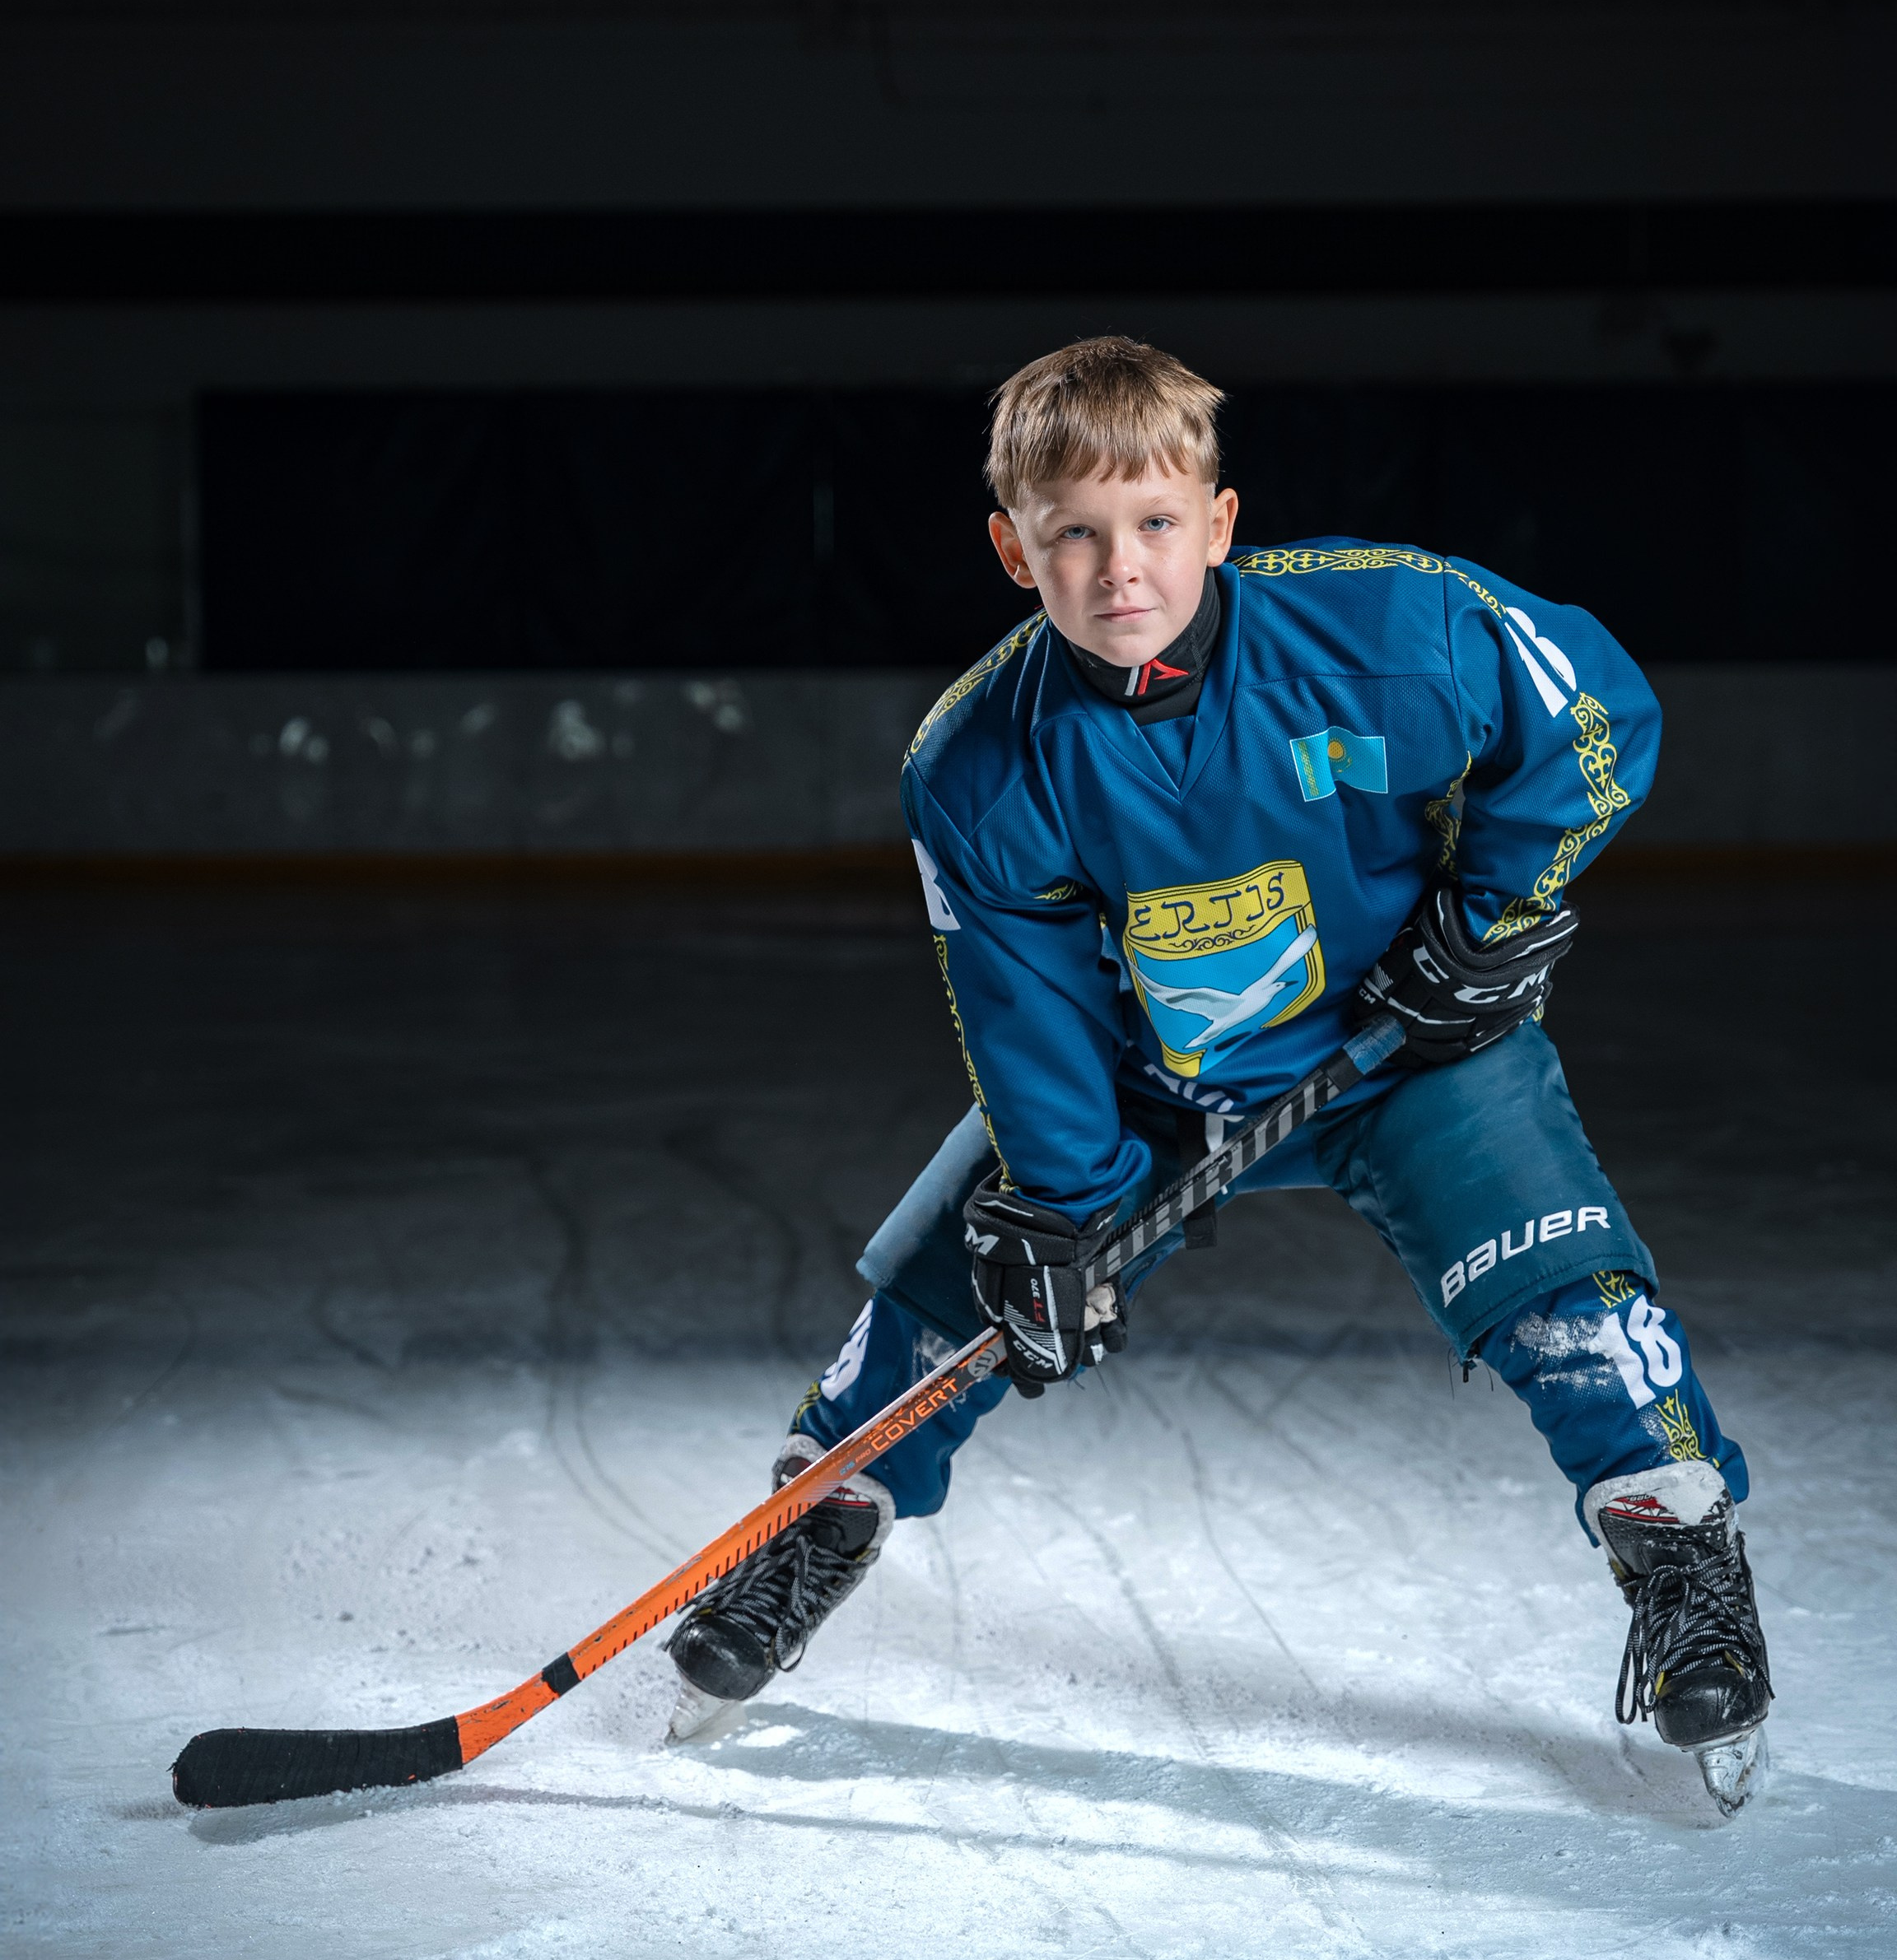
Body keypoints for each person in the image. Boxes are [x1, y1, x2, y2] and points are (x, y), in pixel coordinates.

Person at [669, 336, 1773, 1809]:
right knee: (951, 1290)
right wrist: (1062, 1206)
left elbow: (1595, 717)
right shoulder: (979, 765)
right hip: (1152, 1083)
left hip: (1410, 1047)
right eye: (1073, 533)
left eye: (1155, 525)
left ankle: (1680, 1545)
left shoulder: (1387, 628)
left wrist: (1487, 916)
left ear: (1221, 522)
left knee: (1564, 1294)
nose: (1121, 569)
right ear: (1013, 548)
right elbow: (1022, 1004)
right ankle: (816, 1521)